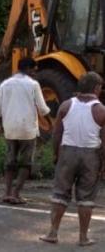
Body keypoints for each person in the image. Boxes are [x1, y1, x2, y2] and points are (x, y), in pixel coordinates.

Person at [40, 72, 105, 246]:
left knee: (60, 193)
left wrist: (56, 154)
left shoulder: (66, 105)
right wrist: (103, 163)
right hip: (91, 156)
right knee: (86, 198)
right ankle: (83, 237)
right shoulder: (101, 110)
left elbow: (57, 134)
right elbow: (104, 141)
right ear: (96, 88)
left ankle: (52, 233)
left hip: (67, 153)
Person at [0, 57, 50, 204]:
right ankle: (16, 194)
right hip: (27, 130)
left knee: (10, 162)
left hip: (10, 129)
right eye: (34, 70)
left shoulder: (5, 84)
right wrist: (50, 122)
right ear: (28, 69)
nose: (35, 73)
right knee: (26, 164)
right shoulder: (33, 84)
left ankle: (6, 193)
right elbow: (43, 109)